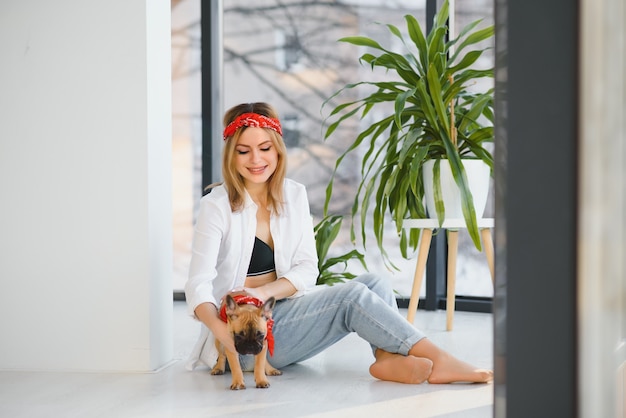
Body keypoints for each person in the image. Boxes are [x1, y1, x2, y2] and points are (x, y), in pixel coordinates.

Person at [184, 102, 493, 384]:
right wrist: (225, 334)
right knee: (351, 298)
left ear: (278, 150)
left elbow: (307, 269)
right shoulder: (217, 205)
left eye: (265, 148)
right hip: (251, 339)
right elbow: (198, 286)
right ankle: (440, 360)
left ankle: (386, 359)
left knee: (375, 283)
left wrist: (263, 292)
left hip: (281, 312)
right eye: (243, 151)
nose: (256, 159)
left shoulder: (293, 195)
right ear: (230, 155)